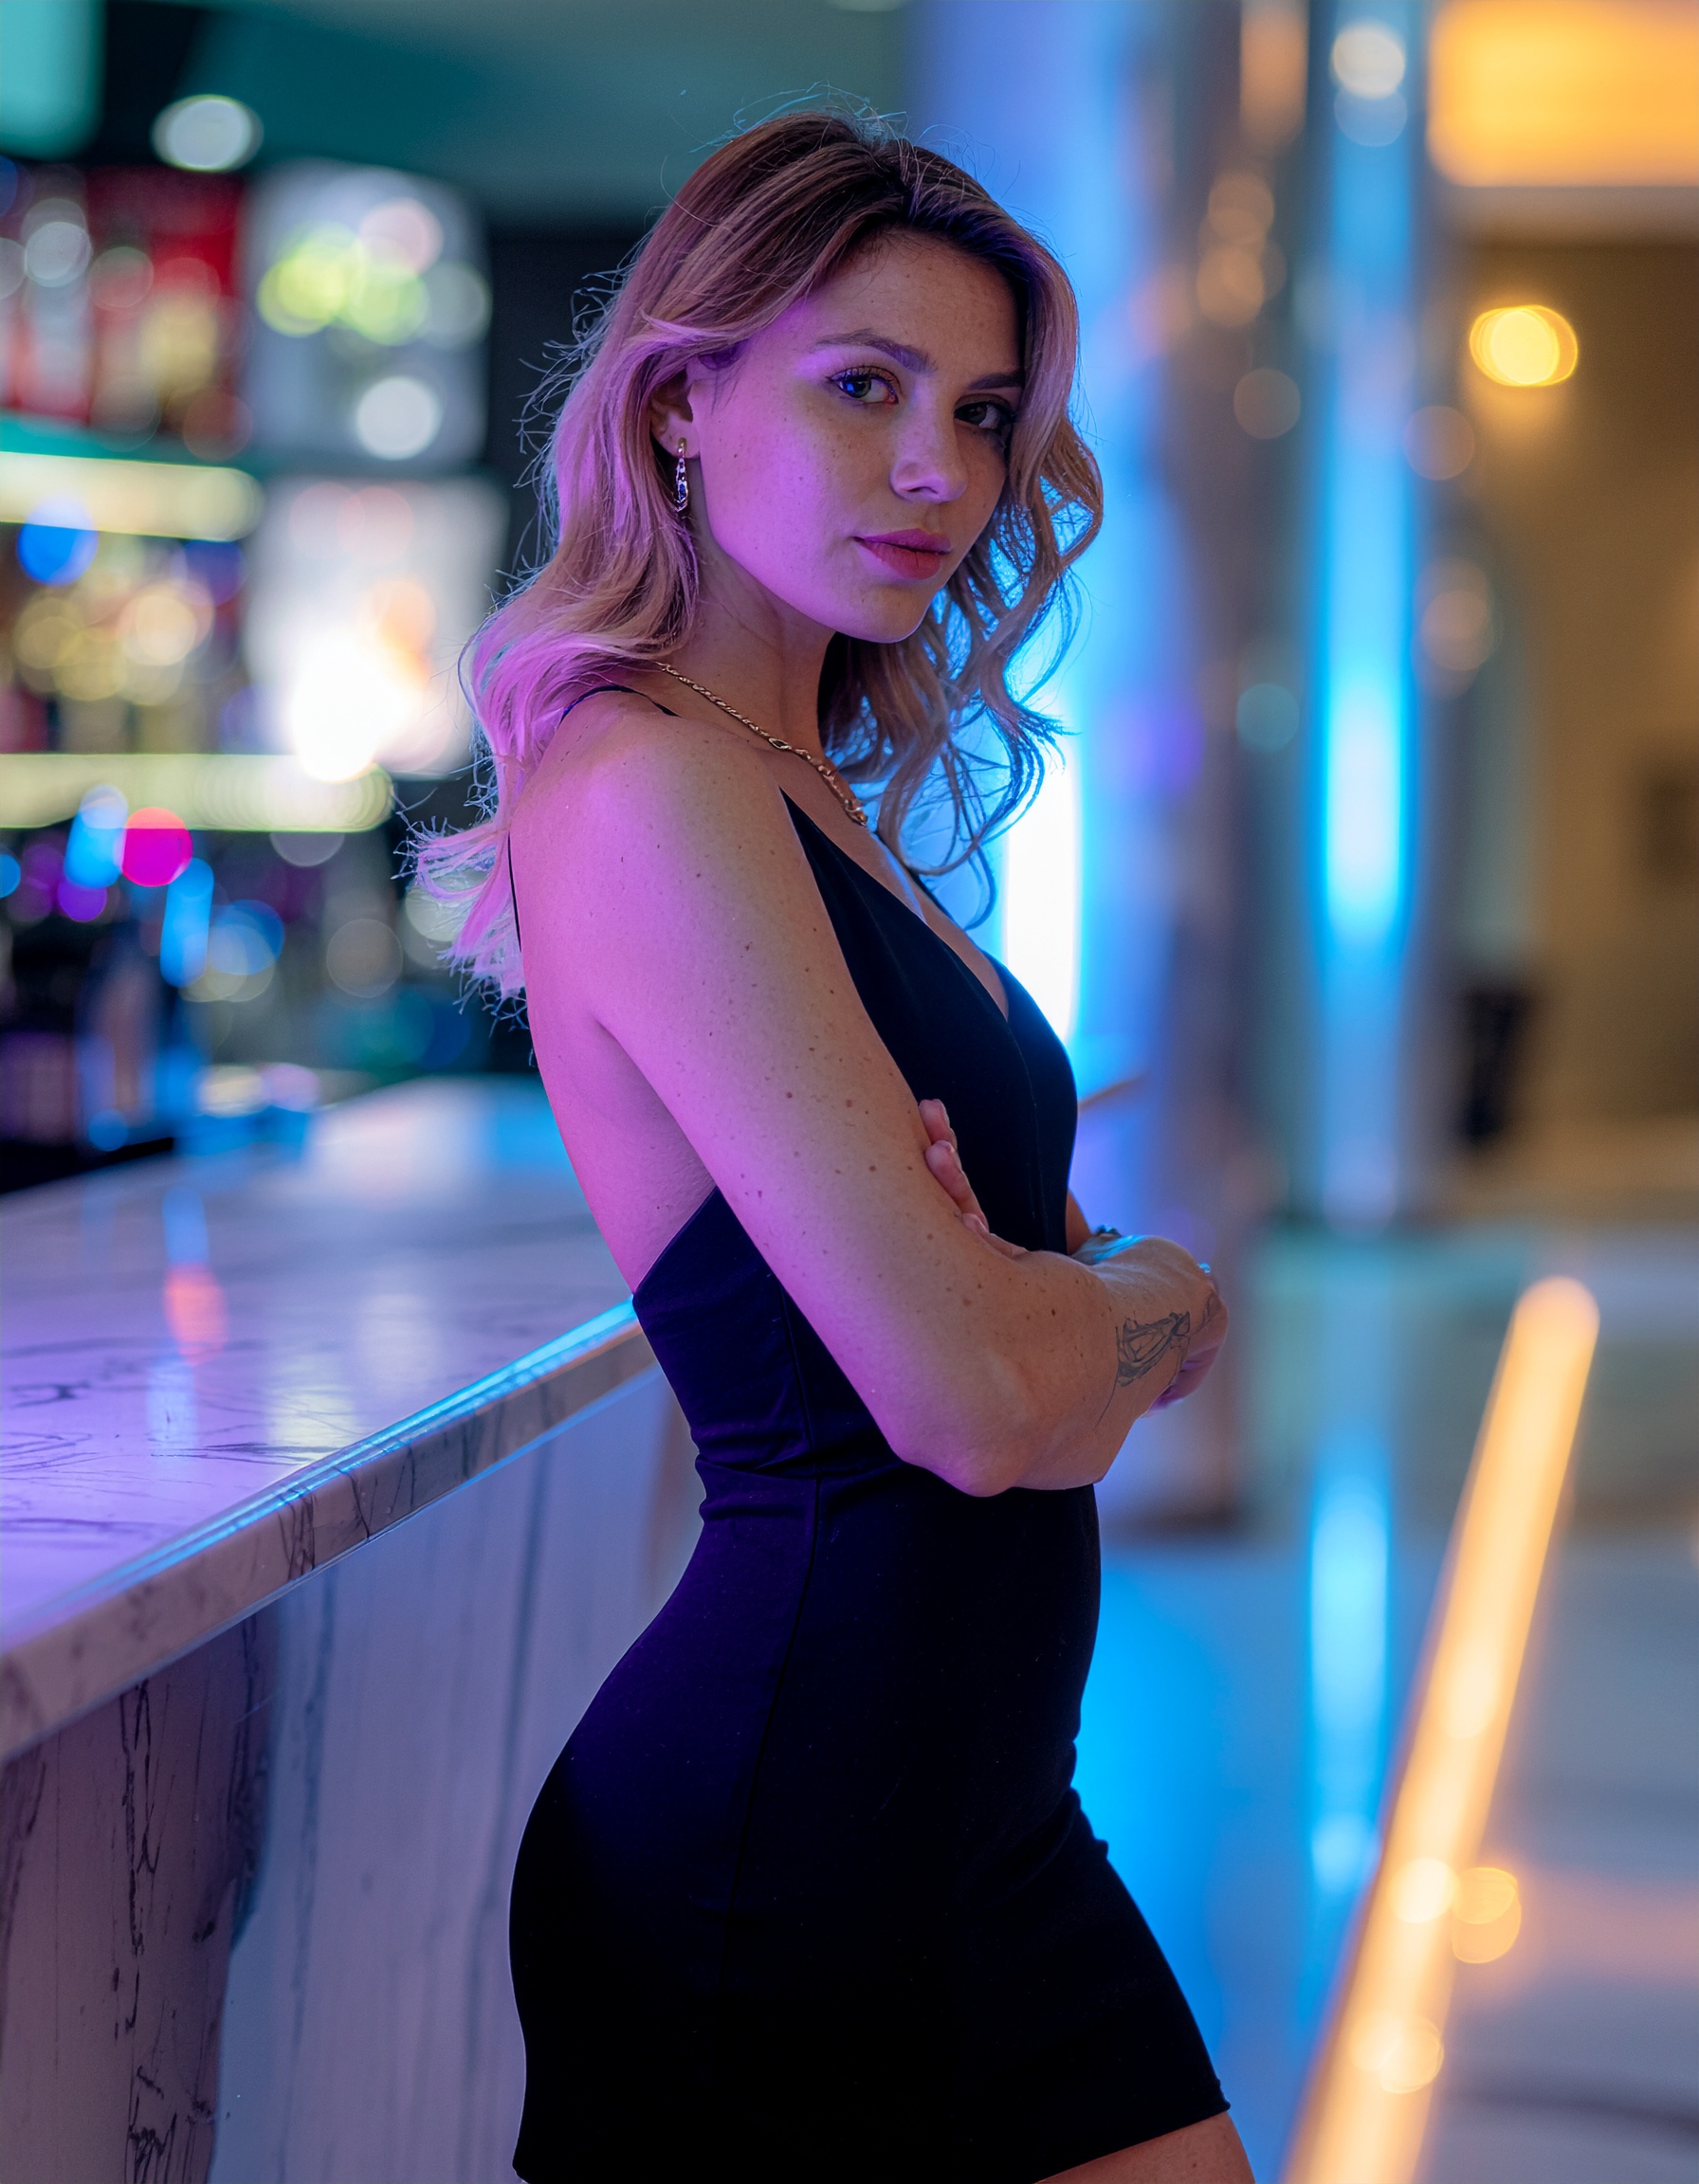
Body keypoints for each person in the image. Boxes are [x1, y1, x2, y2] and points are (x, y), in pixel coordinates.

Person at [421, 108, 1251, 2184]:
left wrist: (1056, 1318)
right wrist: (1149, 1293)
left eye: (976, 413)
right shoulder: (647, 781)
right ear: (681, 399)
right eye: (858, 386)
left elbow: (1039, 1369)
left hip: (975, 1821)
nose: (934, 473)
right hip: (783, 1872)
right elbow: (978, 1400)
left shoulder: (807, 790)